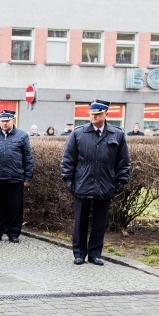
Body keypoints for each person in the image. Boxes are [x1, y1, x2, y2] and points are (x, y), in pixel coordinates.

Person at [61, 100, 131, 266]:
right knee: (80, 222)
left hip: (105, 185)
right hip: (82, 184)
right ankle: (79, 253)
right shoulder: (78, 134)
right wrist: (68, 179)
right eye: (92, 114)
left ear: (106, 114)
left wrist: (121, 180)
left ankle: (95, 253)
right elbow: (68, 159)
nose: (94, 116)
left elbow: (124, 161)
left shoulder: (117, 135)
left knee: (100, 222)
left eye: (98, 114)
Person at [0, 110, 34, 243]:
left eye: (7, 121)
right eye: (2, 121)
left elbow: (28, 157)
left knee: (15, 208)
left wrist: (28, 177)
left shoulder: (22, 136)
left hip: (15, 178)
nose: (4, 124)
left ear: (13, 121)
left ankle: (13, 233)